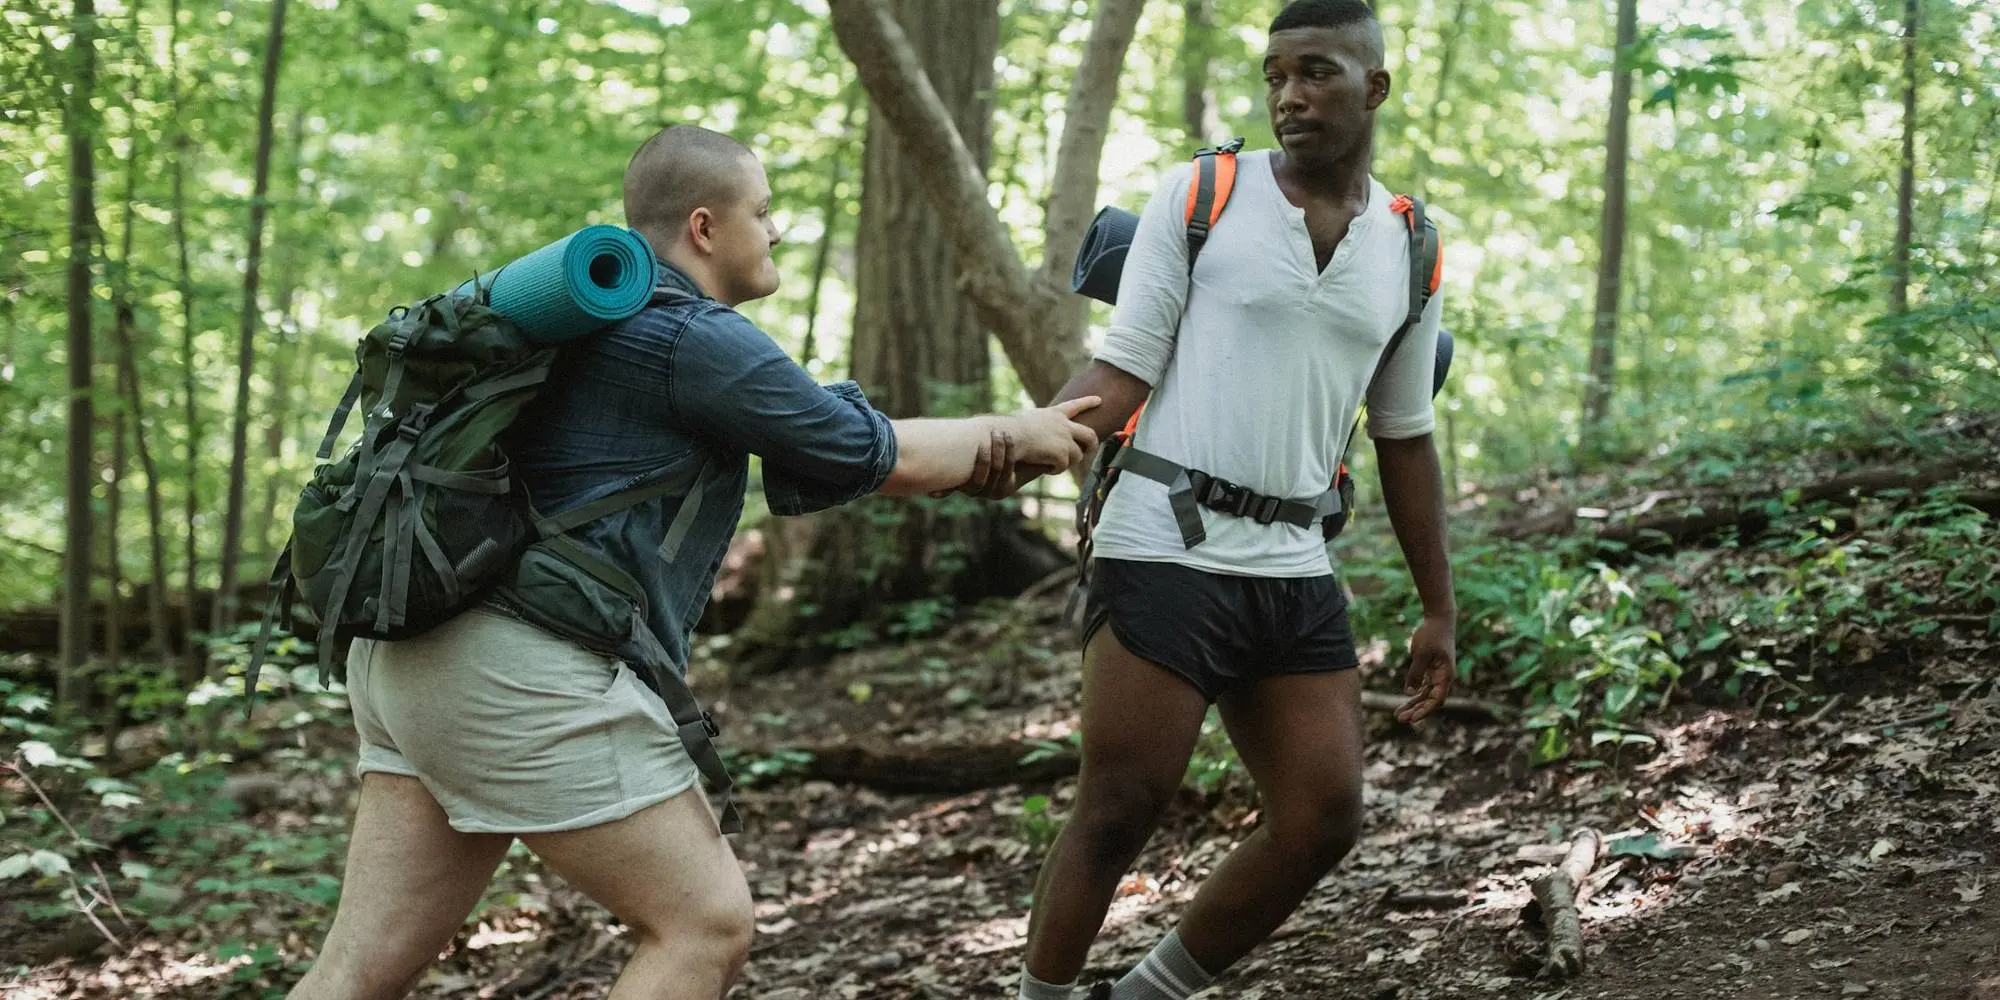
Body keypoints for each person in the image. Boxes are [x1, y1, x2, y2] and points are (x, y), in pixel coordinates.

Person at [285, 124, 1099, 1000]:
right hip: (517, 673)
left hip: (408, 662)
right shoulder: (690, 336)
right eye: (763, 211)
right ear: (706, 229)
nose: (777, 229)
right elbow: (866, 452)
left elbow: (832, 444)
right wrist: (1009, 433)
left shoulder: (584, 324)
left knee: (357, 969)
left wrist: (986, 449)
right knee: (704, 925)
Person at [1011, 2, 1458, 998]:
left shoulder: (1410, 245)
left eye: (1315, 72)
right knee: (1120, 803)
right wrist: (1011, 441)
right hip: (1162, 540)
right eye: (1274, 76)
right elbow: (1121, 369)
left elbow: (1403, 434)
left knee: (1321, 812)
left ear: (1374, 85)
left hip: (1293, 563)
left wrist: (1436, 604)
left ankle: (1141, 993)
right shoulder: (1203, 191)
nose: (1287, 95)